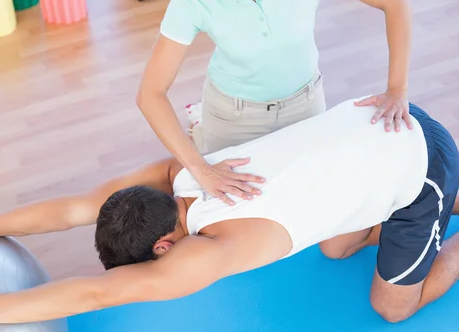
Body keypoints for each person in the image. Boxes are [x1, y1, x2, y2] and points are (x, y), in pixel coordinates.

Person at [0, 98, 458, 332]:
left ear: (165, 245)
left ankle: (444, 202)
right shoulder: (175, 177)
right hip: (373, 126)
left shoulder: (211, 251)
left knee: (391, 309)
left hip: (416, 158)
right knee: (335, 250)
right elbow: (72, 207)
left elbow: (95, 296)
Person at [136, 0, 414, 206]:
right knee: (238, 208)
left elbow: (395, 4)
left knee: (310, 198)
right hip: (233, 119)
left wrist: (397, 88)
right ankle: (201, 129)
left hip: (306, 108)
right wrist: (200, 169)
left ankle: (199, 126)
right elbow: (150, 93)